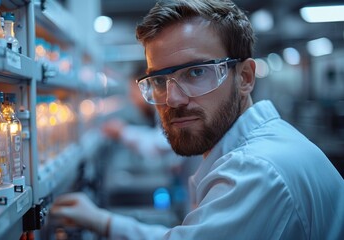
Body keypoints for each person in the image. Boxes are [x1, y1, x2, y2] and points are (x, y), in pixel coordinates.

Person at [51, 0, 344, 239]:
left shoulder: (256, 170)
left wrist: (105, 223)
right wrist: (105, 222)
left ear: (244, 77)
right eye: (159, 80)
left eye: (196, 72)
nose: (173, 99)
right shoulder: (253, 150)